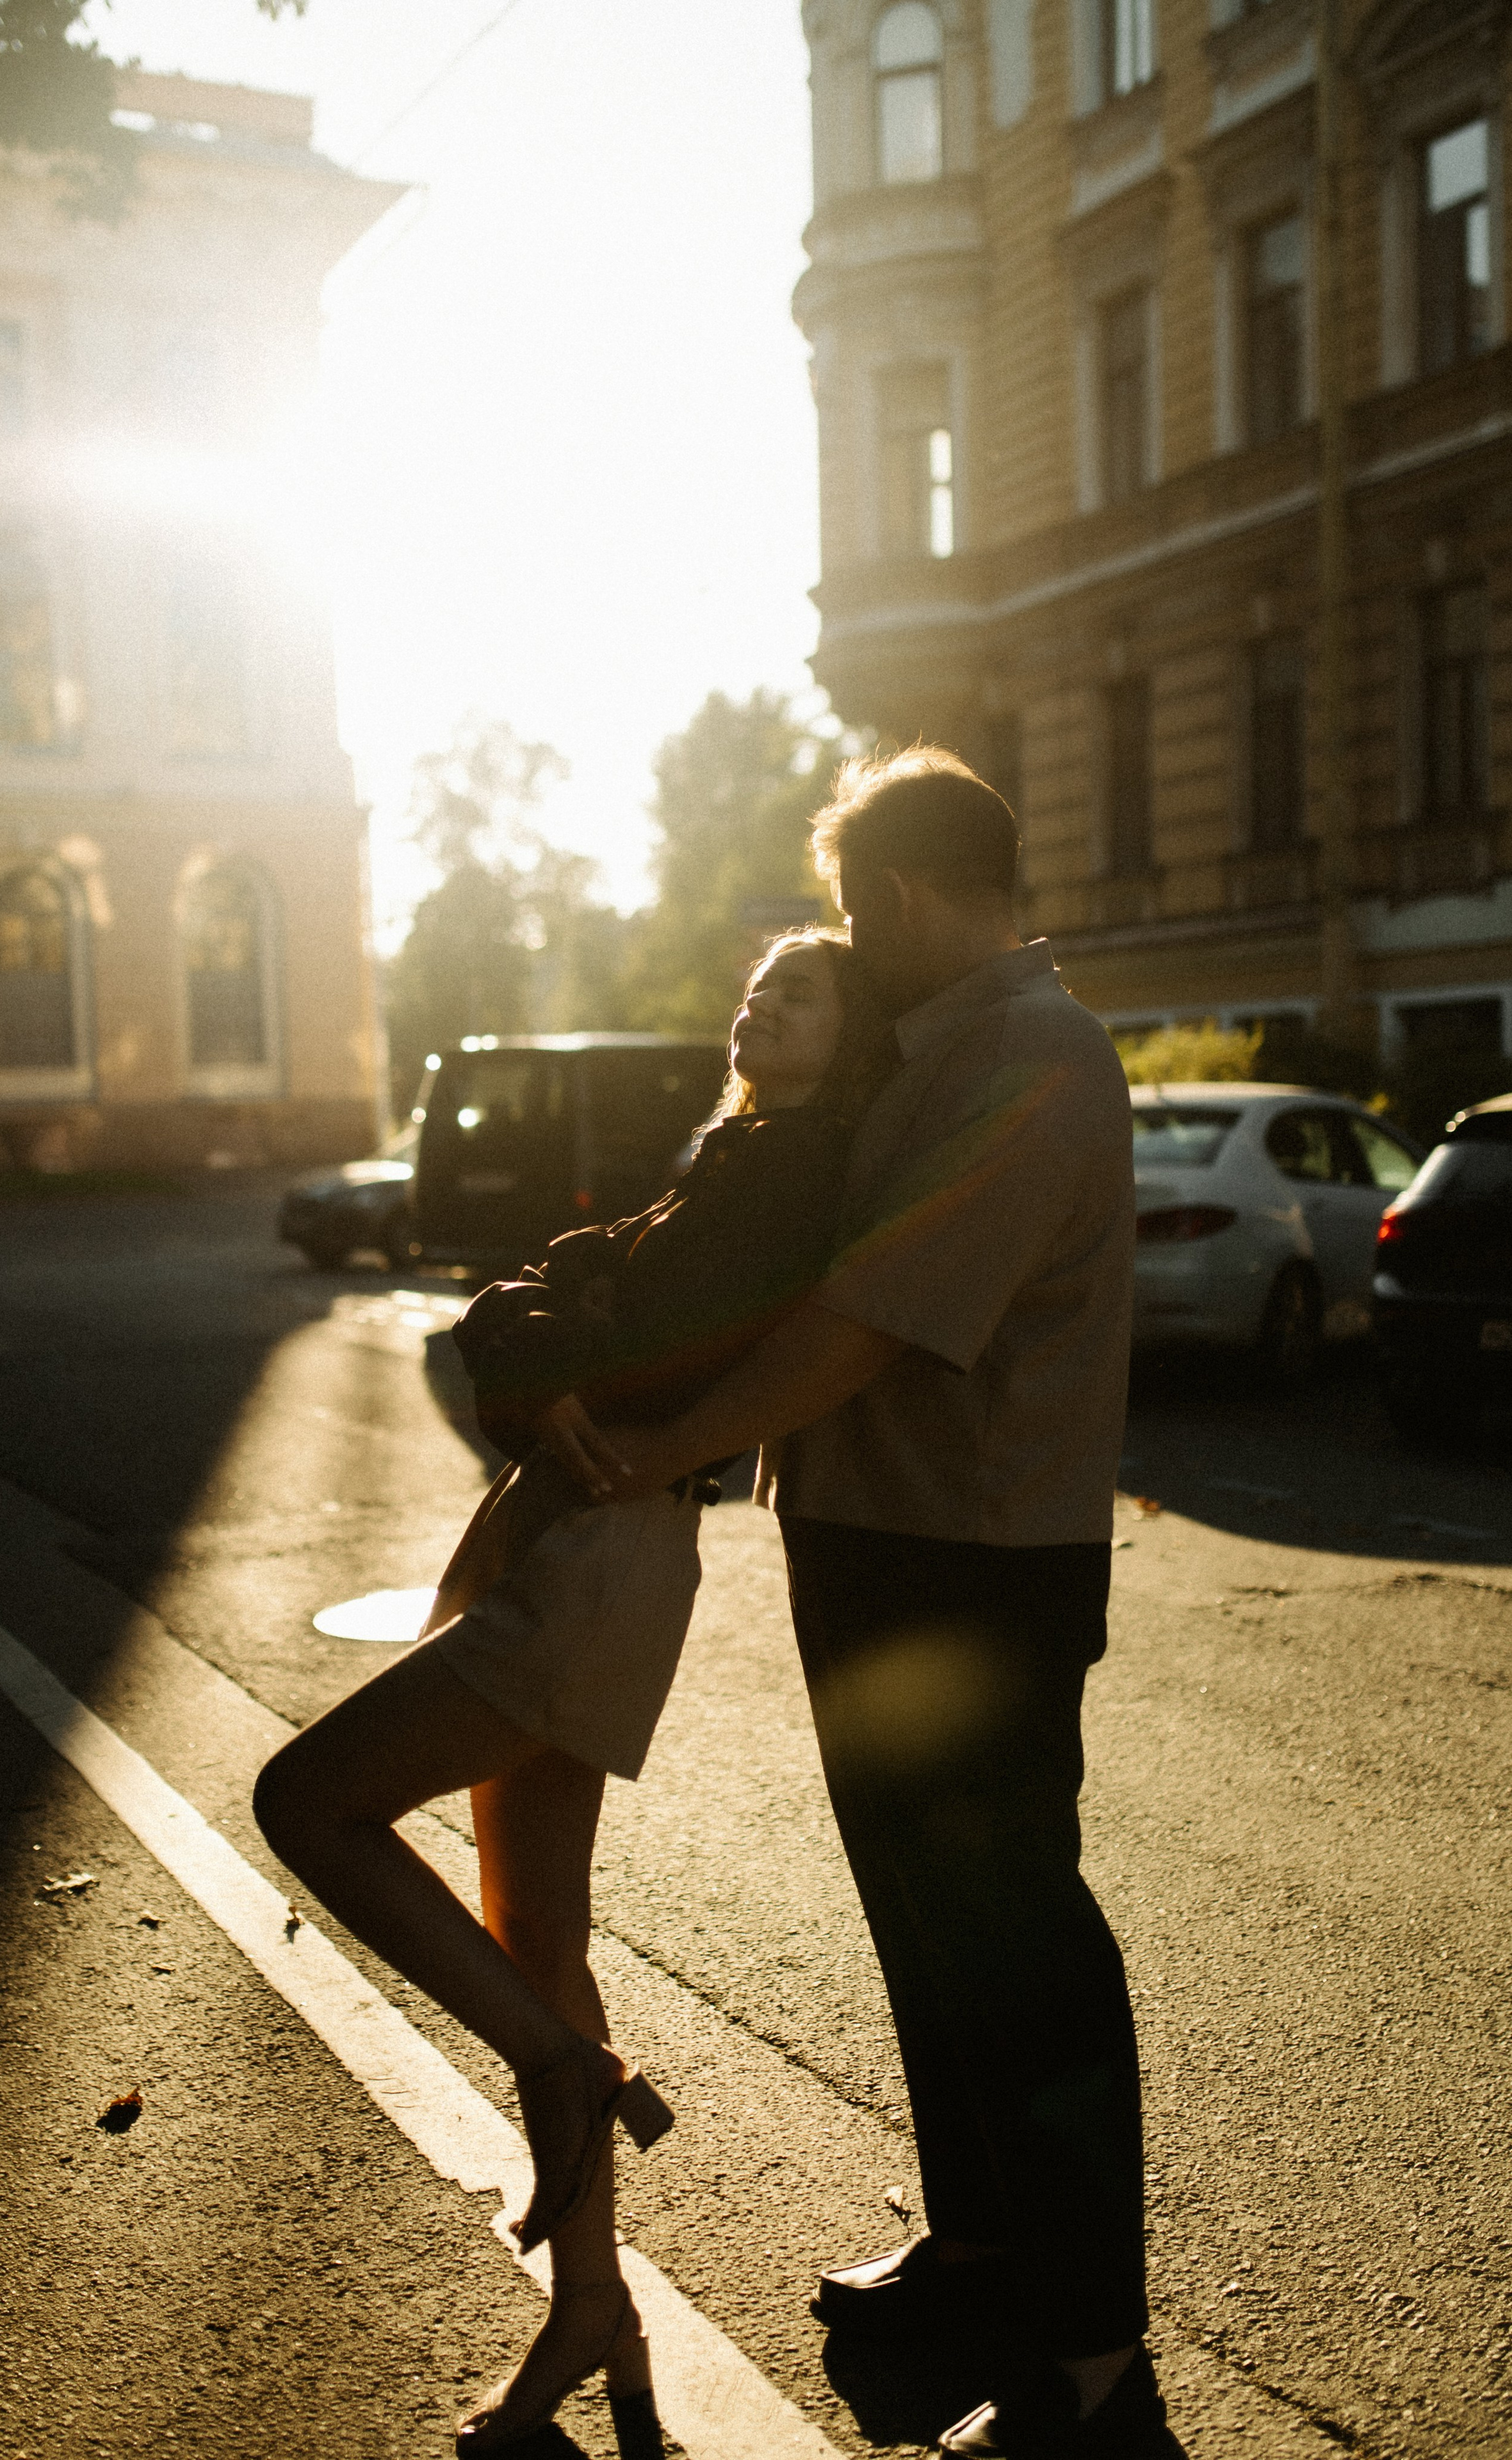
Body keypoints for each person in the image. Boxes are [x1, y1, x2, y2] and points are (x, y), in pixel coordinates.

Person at [543, 751, 1182, 2460]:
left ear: (894, 898)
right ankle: (980, 2253)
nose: (843, 939)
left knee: (1023, 1957)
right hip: (880, 1552)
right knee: (932, 1935)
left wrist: (664, 1442)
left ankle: (1096, 2374)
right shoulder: (937, 1049)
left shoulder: (1038, 1061)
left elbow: (869, 1321)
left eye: (847, 909)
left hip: (973, 1572)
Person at [252, 931, 895, 2460]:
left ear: (854, 1036)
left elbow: (616, 1322)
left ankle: (559, 2067)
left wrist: (560, 1318)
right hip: (565, 1538)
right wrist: (547, 1317)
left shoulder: (793, 1178)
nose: (761, 998)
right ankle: (590, 2304)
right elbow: (532, 1295)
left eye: (801, 990)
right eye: (758, 979)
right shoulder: (725, 1159)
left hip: (601, 1560)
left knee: (305, 1801)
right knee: (536, 1933)